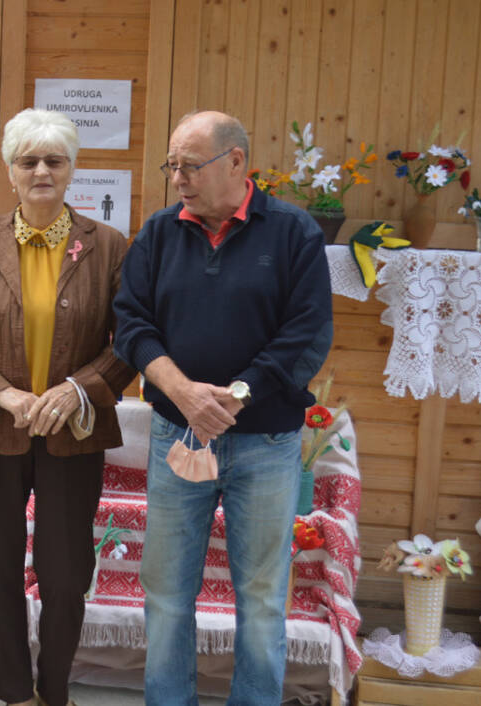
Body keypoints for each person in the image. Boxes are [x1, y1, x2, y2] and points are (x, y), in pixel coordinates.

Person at [112, 110, 333, 705]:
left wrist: (234, 396)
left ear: (236, 161)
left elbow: (306, 335)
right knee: (165, 591)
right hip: (177, 438)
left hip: (264, 444)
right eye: (172, 166)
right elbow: (130, 324)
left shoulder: (293, 233)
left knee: (261, 597)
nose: (178, 178)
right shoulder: (159, 233)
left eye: (190, 165)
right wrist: (184, 392)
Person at [0, 108, 135, 706]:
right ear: (11, 171)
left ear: (72, 170)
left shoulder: (108, 246)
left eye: (54, 160)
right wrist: (1, 391)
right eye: (29, 160)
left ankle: (56, 691)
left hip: (75, 431)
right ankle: (14, 692)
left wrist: (77, 390)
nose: (42, 170)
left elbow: (130, 339)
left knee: (66, 575)